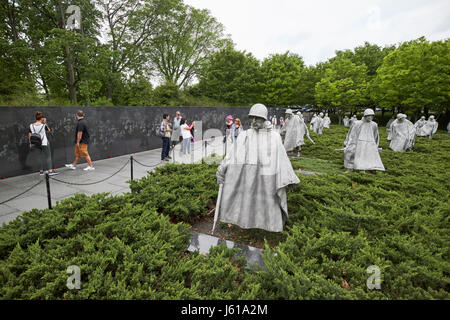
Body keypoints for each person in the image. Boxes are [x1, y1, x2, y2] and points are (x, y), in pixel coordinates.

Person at [215, 103, 300, 232]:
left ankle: (269, 227)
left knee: (267, 204)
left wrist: (289, 178)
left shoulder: (274, 137)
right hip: (247, 177)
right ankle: (246, 224)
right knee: (247, 201)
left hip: (267, 179)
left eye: (257, 118)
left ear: (264, 119)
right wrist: (222, 168)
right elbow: (232, 155)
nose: (254, 121)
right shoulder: (245, 135)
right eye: (252, 118)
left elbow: (282, 159)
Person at [28, 111, 58, 176]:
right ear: (41, 118)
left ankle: (41, 172)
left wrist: (30, 143)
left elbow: (30, 134)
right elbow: (48, 130)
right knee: (48, 156)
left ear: (35, 118)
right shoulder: (43, 125)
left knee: (39, 157)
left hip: (35, 143)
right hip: (44, 142)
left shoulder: (31, 125)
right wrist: (45, 123)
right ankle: (50, 171)